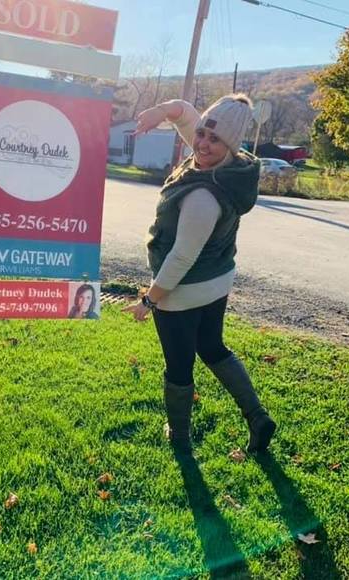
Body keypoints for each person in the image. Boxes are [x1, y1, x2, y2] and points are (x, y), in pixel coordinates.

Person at [123, 94, 276, 457]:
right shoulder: (231, 166)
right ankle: (258, 418)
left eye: (214, 139)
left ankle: (178, 436)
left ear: (230, 146)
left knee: (179, 365)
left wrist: (149, 300)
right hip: (216, 281)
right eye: (203, 133)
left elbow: (181, 258)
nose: (203, 143)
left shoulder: (204, 197)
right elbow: (185, 113)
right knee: (211, 347)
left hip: (184, 290)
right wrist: (160, 111)